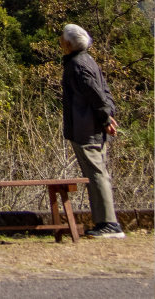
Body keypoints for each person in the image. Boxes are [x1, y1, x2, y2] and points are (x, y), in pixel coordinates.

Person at [60, 23, 124, 239]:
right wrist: (108, 115)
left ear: (68, 44)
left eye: (62, 38)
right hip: (91, 126)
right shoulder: (87, 61)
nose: (60, 41)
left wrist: (105, 117)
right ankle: (105, 222)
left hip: (85, 128)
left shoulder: (77, 65)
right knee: (97, 173)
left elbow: (95, 94)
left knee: (96, 175)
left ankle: (109, 224)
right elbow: (104, 91)